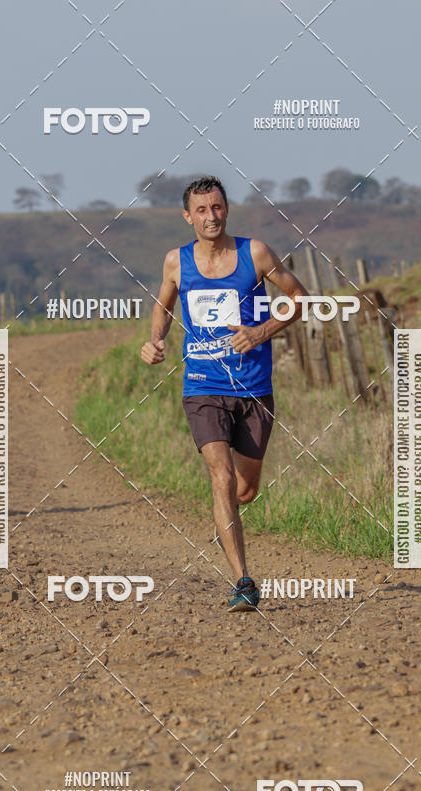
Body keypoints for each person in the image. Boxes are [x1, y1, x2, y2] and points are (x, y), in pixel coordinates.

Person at [141, 175, 308, 611]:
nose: (210, 217)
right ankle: (244, 581)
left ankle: (224, 518)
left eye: (216, 208)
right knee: (222, 477)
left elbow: (299, 297)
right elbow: (163, 304)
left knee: (245, 489)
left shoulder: (255, 253)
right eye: (201, 210)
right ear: (187, 217)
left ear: (226, 209)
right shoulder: (176, 262)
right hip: (203, 386)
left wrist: (261, 332)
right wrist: (155, 339)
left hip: (253, 388)